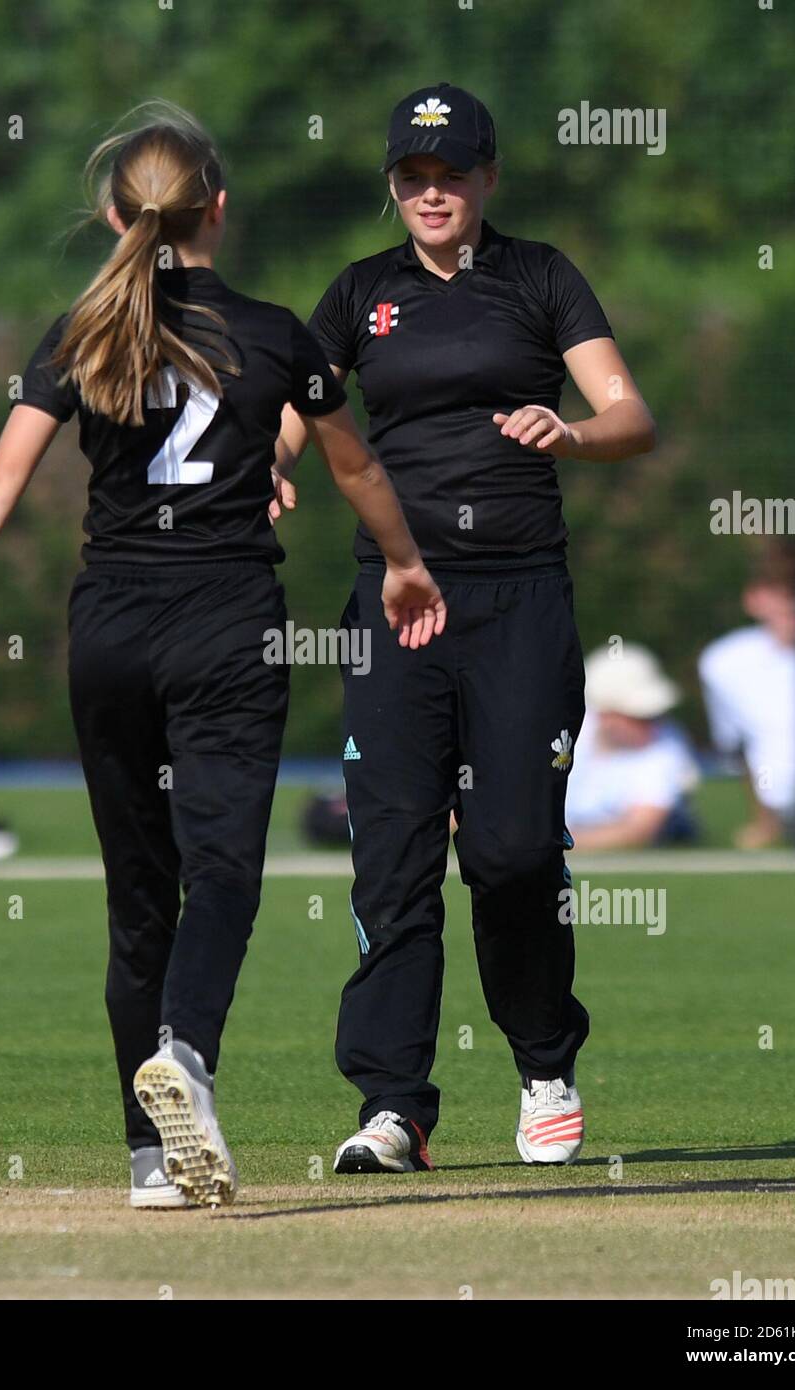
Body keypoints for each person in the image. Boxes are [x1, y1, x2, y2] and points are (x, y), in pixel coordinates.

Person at [0, 105, 445, 1210]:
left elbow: (2, 481)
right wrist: (405, 564)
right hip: (224, 625)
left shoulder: (81, 331)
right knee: (226, 873)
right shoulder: (279, 335)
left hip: (108, 628)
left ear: (117, 214)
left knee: (138, 897)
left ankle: (150, 1161)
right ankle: (186, 1055)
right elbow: (356, 469)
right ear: (221, 210)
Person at [274, 83, 657, 1170]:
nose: (430, 193)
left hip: (518, 601)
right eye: (412, 177)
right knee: (390, 858)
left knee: (513, 848)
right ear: (392, 185)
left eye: (450, 175)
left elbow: (631, 415)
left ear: (486, 177)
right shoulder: (359, 292)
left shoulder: (540, 276)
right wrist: (268, 468)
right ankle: (394, 1106)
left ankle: (543, 1065)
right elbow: (301, 410)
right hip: (395, 607)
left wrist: (571, 433)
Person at [698, 542, 795, 848]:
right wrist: (766, 824)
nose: (791, 605)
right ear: (754, 599)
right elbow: (741, 748)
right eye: (781, 593)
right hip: (788, 809)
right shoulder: (724, 662)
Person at [565, 644, 700, 850]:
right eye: (639, 716)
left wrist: (547, 846)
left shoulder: (667, 748)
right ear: (604, 715)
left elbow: (637, 831)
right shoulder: (564, 732)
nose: (652, 725)